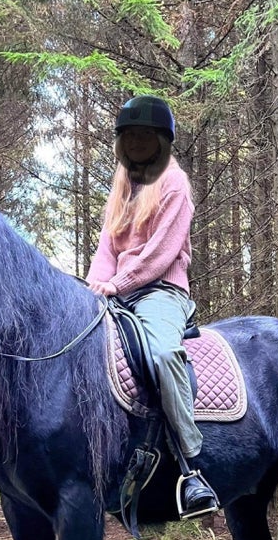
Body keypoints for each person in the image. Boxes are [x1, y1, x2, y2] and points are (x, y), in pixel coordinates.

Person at [87, 95, 219, 518]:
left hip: (162, 292)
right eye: (131, 137)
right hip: (116, 292)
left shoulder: (176, 186)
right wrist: (93, 287)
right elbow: (107, 249)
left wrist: (116, 284)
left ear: (162, 142)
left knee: (162, 353)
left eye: (146, 137)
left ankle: (190, 469)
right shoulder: (122, 189)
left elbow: (160, 254)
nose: (137, 144)